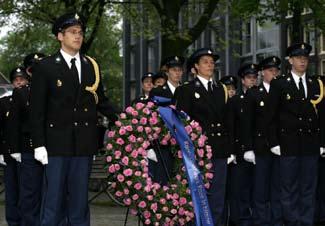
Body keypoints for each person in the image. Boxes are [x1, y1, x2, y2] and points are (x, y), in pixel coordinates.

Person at [30, 12, 119, 226]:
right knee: (54, 204)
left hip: (83, 145)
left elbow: (102, 101)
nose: (78, 36)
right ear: (60, 36)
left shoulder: (90, 65)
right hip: (56, 145)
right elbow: (37, 110)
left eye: (80, 32)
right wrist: (39, 144)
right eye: (72, 32)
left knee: (79, 205)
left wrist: (129, 119)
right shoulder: (46, 66)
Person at [175, 48, 235, 226]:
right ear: (196, 67)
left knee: (218, 196)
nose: (210, 65)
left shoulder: (220, 89)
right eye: (205, 62)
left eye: (212, 62)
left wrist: (230, 149)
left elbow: (228, 121)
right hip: (198, 152)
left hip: (220, 149)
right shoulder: (186, 90)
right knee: (198, 196)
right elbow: (181, 124)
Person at [268, 42, 324, 226]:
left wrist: (322, 142)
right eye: (298, 58)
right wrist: (274, 142)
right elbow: (271, 116)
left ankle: (306, 222)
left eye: (305, 58)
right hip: (288, 143)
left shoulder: (315, 84)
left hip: (310, 144)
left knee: (309, 188)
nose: (302, 61)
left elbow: (322, 116)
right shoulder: (279, 84)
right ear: (290, 60)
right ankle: (291, 222)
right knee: (289, 188)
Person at [9, 53, 46, 226]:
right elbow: (14, 123)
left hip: (52, 149)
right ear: (28, 72)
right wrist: (14, 149)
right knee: (29, 193)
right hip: (28, 149)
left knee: (50, 192)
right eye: (33, 68)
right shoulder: (21, 93)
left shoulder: (53, 90)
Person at [246, 56, 282, 226]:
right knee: (260, 187)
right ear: (262, 73)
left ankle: (276, 219)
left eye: (276, 71)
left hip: (280, 147)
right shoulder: (253, 93)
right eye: (270, 71)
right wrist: (248, 148)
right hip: (260, 147)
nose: (273, 74)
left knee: (277, 186)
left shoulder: (283, 91)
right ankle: (261, 220)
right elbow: (248, 123)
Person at [0, 66, 31, 226]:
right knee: (12, 190)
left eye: (22, 79)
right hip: (9, 153)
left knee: (27, 191)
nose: (19, 82)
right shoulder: (4, 101)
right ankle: (13, 221)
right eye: (16, 80)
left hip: (26, 151)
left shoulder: (31, 98)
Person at [228, 63, 257, 226]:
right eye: (249, 78)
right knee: (240, 189)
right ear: (243, 81)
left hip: (259, 150)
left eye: (254, 78)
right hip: (240, 151)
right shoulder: (235, 101)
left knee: (256, 189)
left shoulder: (262, 98)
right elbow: (231, 128)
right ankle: (241, 220)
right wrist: (232, 152)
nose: (252, 81)